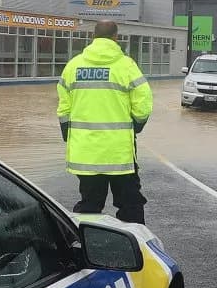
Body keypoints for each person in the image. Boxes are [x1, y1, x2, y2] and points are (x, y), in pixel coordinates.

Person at [57, 20, 153, 223]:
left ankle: (86, 247)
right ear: (115, 37)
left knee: (89, 206)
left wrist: (68, 132)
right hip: (119, 154)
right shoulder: (127, 66)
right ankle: (136, 247)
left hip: (86, 153)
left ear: (93, 37)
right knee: (130, 205)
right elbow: (143, 104)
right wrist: (136, 125)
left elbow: (63, 108)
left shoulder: (73, 66)